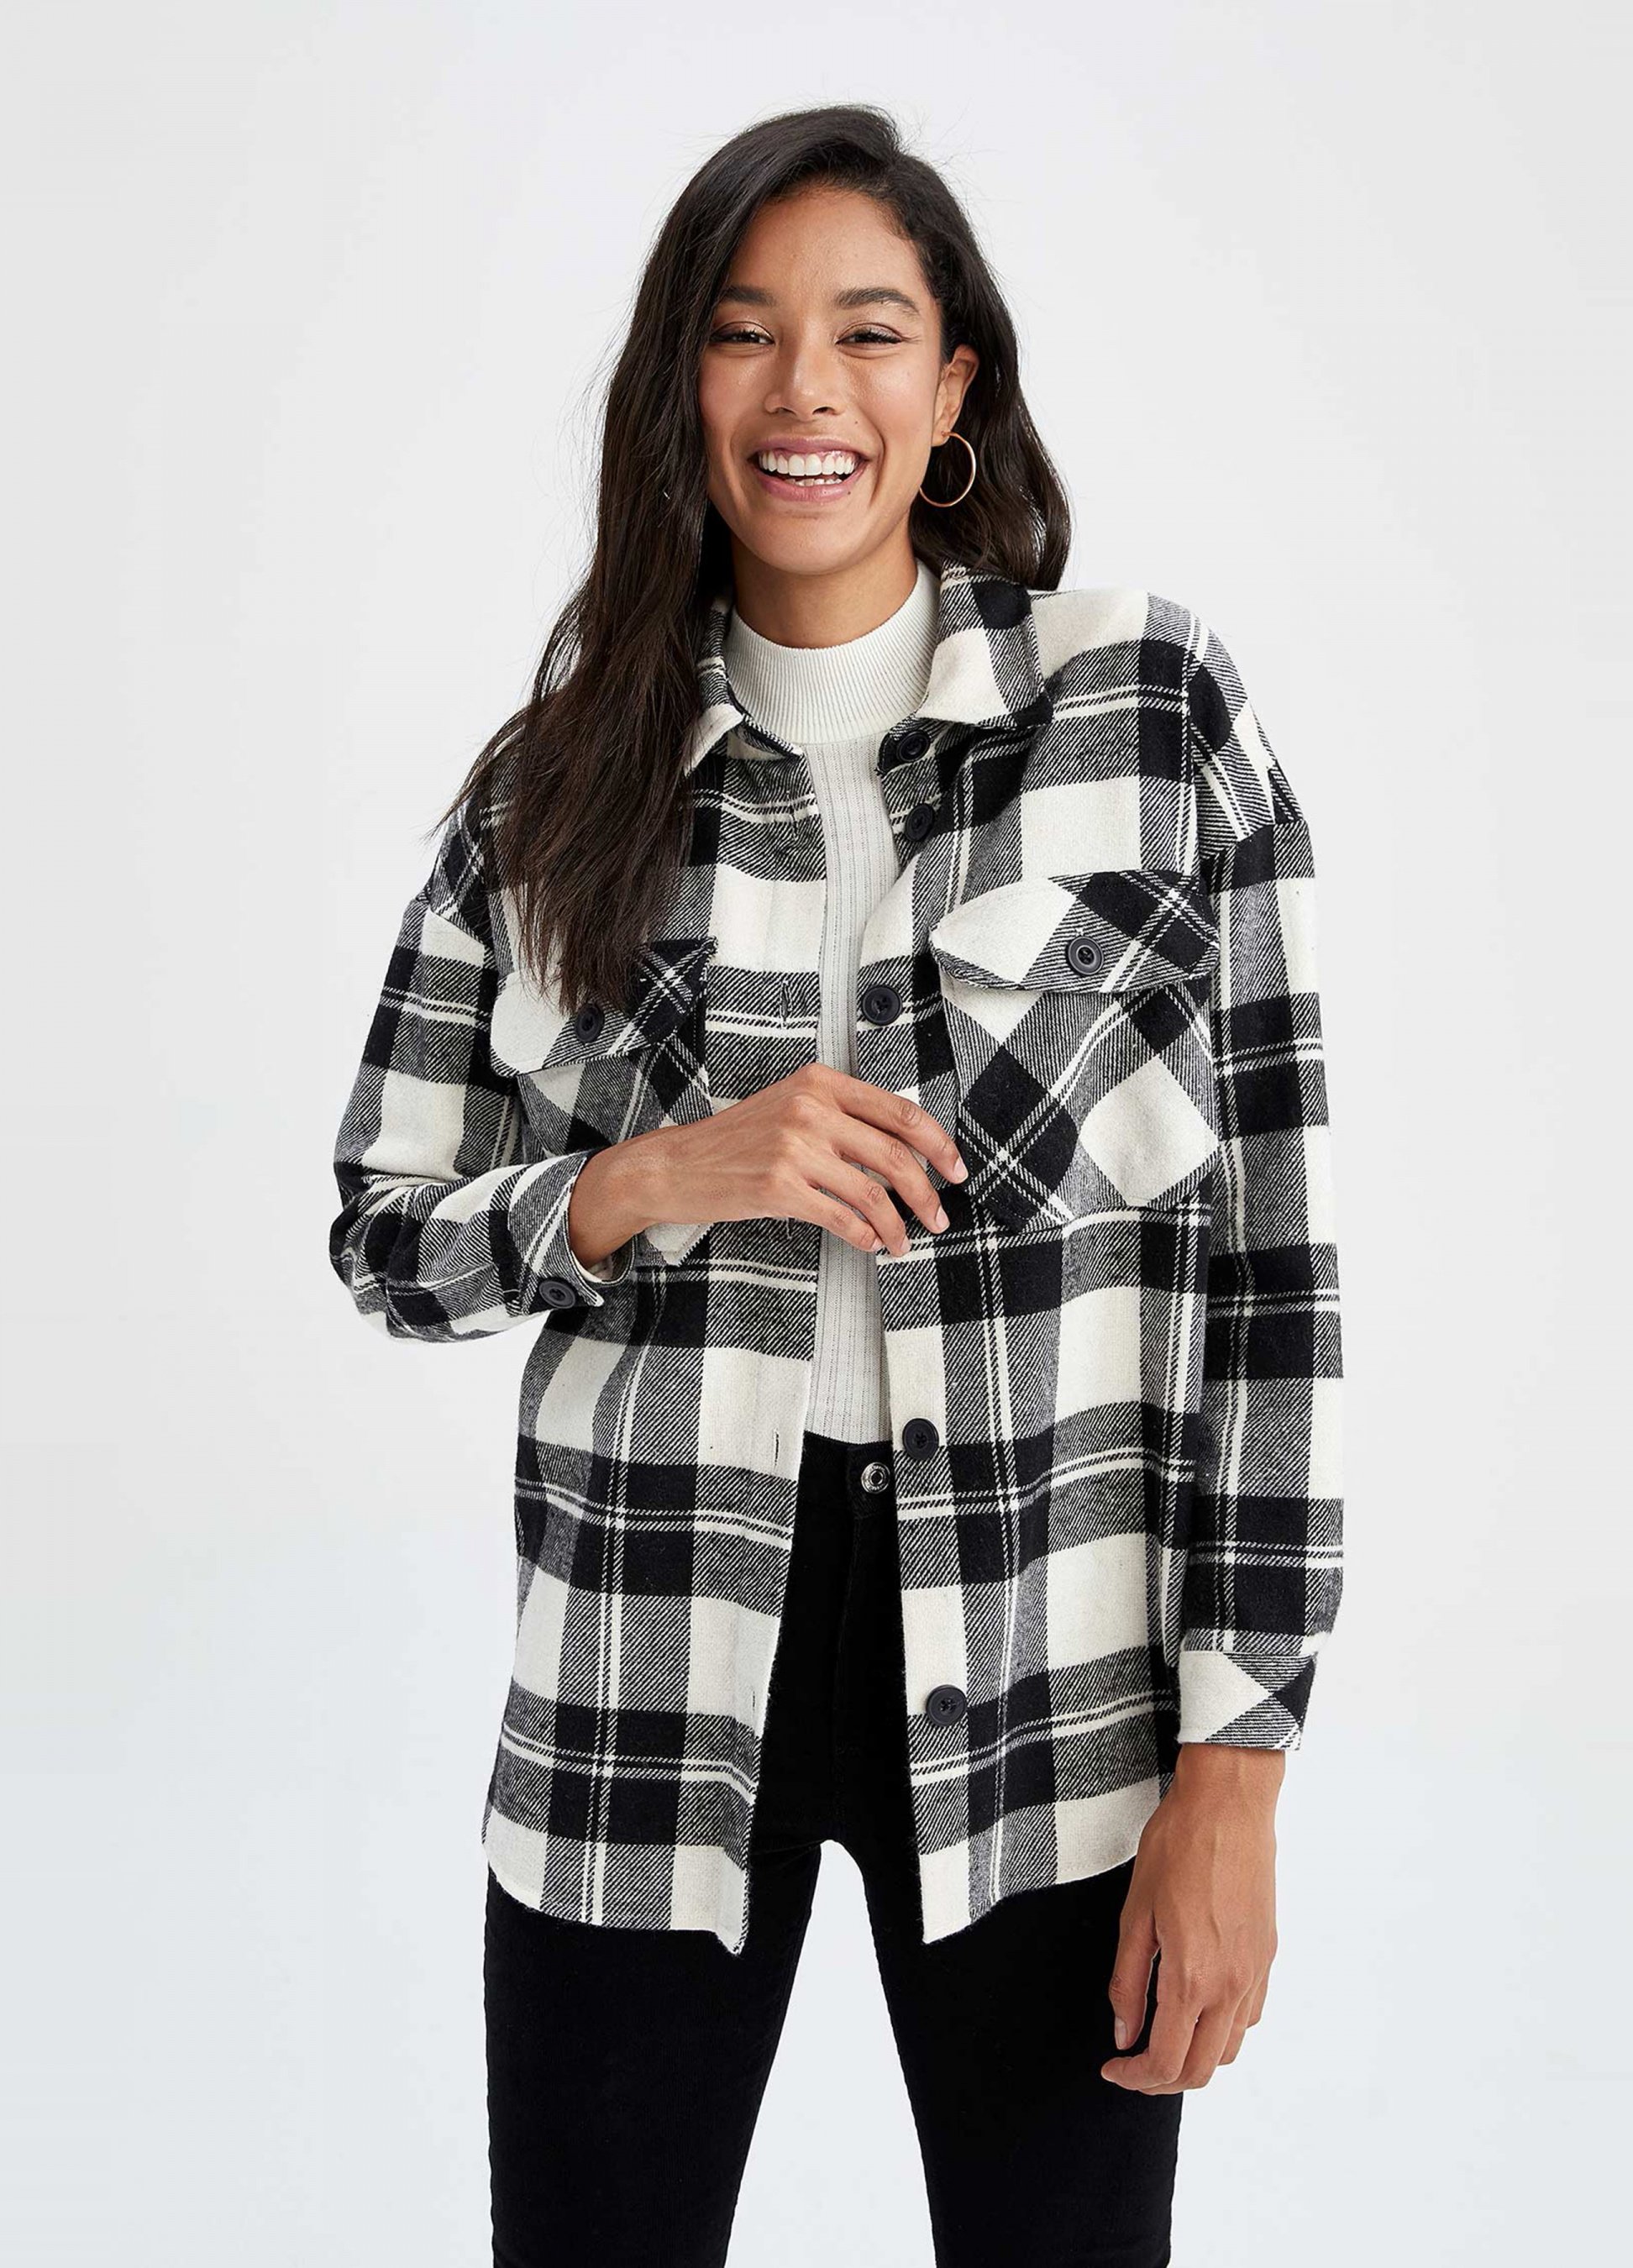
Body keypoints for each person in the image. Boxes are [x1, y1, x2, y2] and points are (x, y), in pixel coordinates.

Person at [328, 102, 1345, 2268]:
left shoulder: (1147, 710)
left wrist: (1237, 1769)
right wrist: (649, 1177)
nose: (808, 390)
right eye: (744, 332)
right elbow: (385, 1233)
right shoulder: (553, 791)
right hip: (650, 1661)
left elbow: (1274, 1271)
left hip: (1053, 1666)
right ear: (679, 387)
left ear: (953, 386)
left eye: (870, 333)